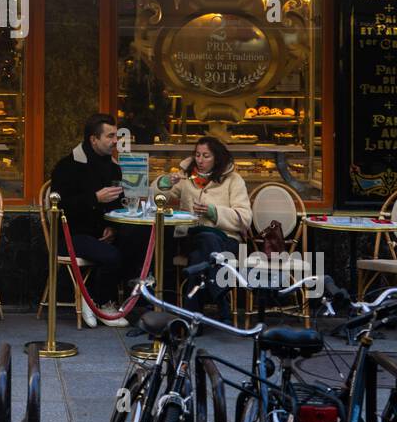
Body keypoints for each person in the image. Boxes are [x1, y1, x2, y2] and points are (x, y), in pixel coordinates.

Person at [48, 113, 145, 327]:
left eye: (116, 136)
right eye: (110, 136)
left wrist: (113, 227)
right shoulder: (68, 167)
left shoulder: (112, 167)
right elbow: (60, 206)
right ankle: (101, 303)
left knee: (139, 239)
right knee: (111, 256)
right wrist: (94, 198)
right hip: (71, 234)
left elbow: (117, 203)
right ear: (93, 139)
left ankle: (104, 298)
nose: (115, 141)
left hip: (101, 233)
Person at [166, 136, 252, 320]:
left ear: (217, 158)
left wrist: (214, 213)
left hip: (226, 240)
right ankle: (219, 293)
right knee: (206, 239)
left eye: (206, 156)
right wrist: (167, 182)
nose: (200, 160)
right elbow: (159, 198)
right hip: (191, 237)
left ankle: (192, 319)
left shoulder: (233, 180)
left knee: (200, 256)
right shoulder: (186, 177)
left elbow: (245, 218)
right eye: (197, 155)